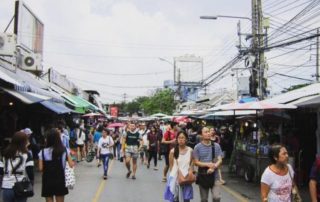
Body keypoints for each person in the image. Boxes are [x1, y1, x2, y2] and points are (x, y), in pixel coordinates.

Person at [38, 128, 73, 202]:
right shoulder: (64, 150)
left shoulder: (42, 152)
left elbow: (41, 168)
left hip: (47, 180)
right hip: (60, 179)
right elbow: (71, 164)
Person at [0, 131, 34, 202]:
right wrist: (31, 183)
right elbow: (30, 171)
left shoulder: (4, 153)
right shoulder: (27, 154)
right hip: (21, 186)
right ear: (24, 142)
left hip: (6, 186)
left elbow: (0, 170)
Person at [193, 127, 223, 202]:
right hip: (203, 176)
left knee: (217, 197)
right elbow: (196, 162)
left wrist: (214, 167)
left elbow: (220, 159)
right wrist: (207, 164)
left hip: (215, 176)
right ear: (201, 135)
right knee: (204, 199)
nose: (208, 133)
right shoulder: (197, 147)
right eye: (205, 132)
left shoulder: (216, 146)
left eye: (209, 131)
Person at [164, 131, 194, 202]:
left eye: (183, 137)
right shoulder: (172, 151)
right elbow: (171, 166)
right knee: (175, 199)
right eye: (179, 138)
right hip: (175, 178)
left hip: (186, 178)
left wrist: (190, 173)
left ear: (186, 139)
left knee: (186, 199)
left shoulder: (190, 151)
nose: (181, 139)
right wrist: (174, 177)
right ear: (177, 139)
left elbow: (191, 164)